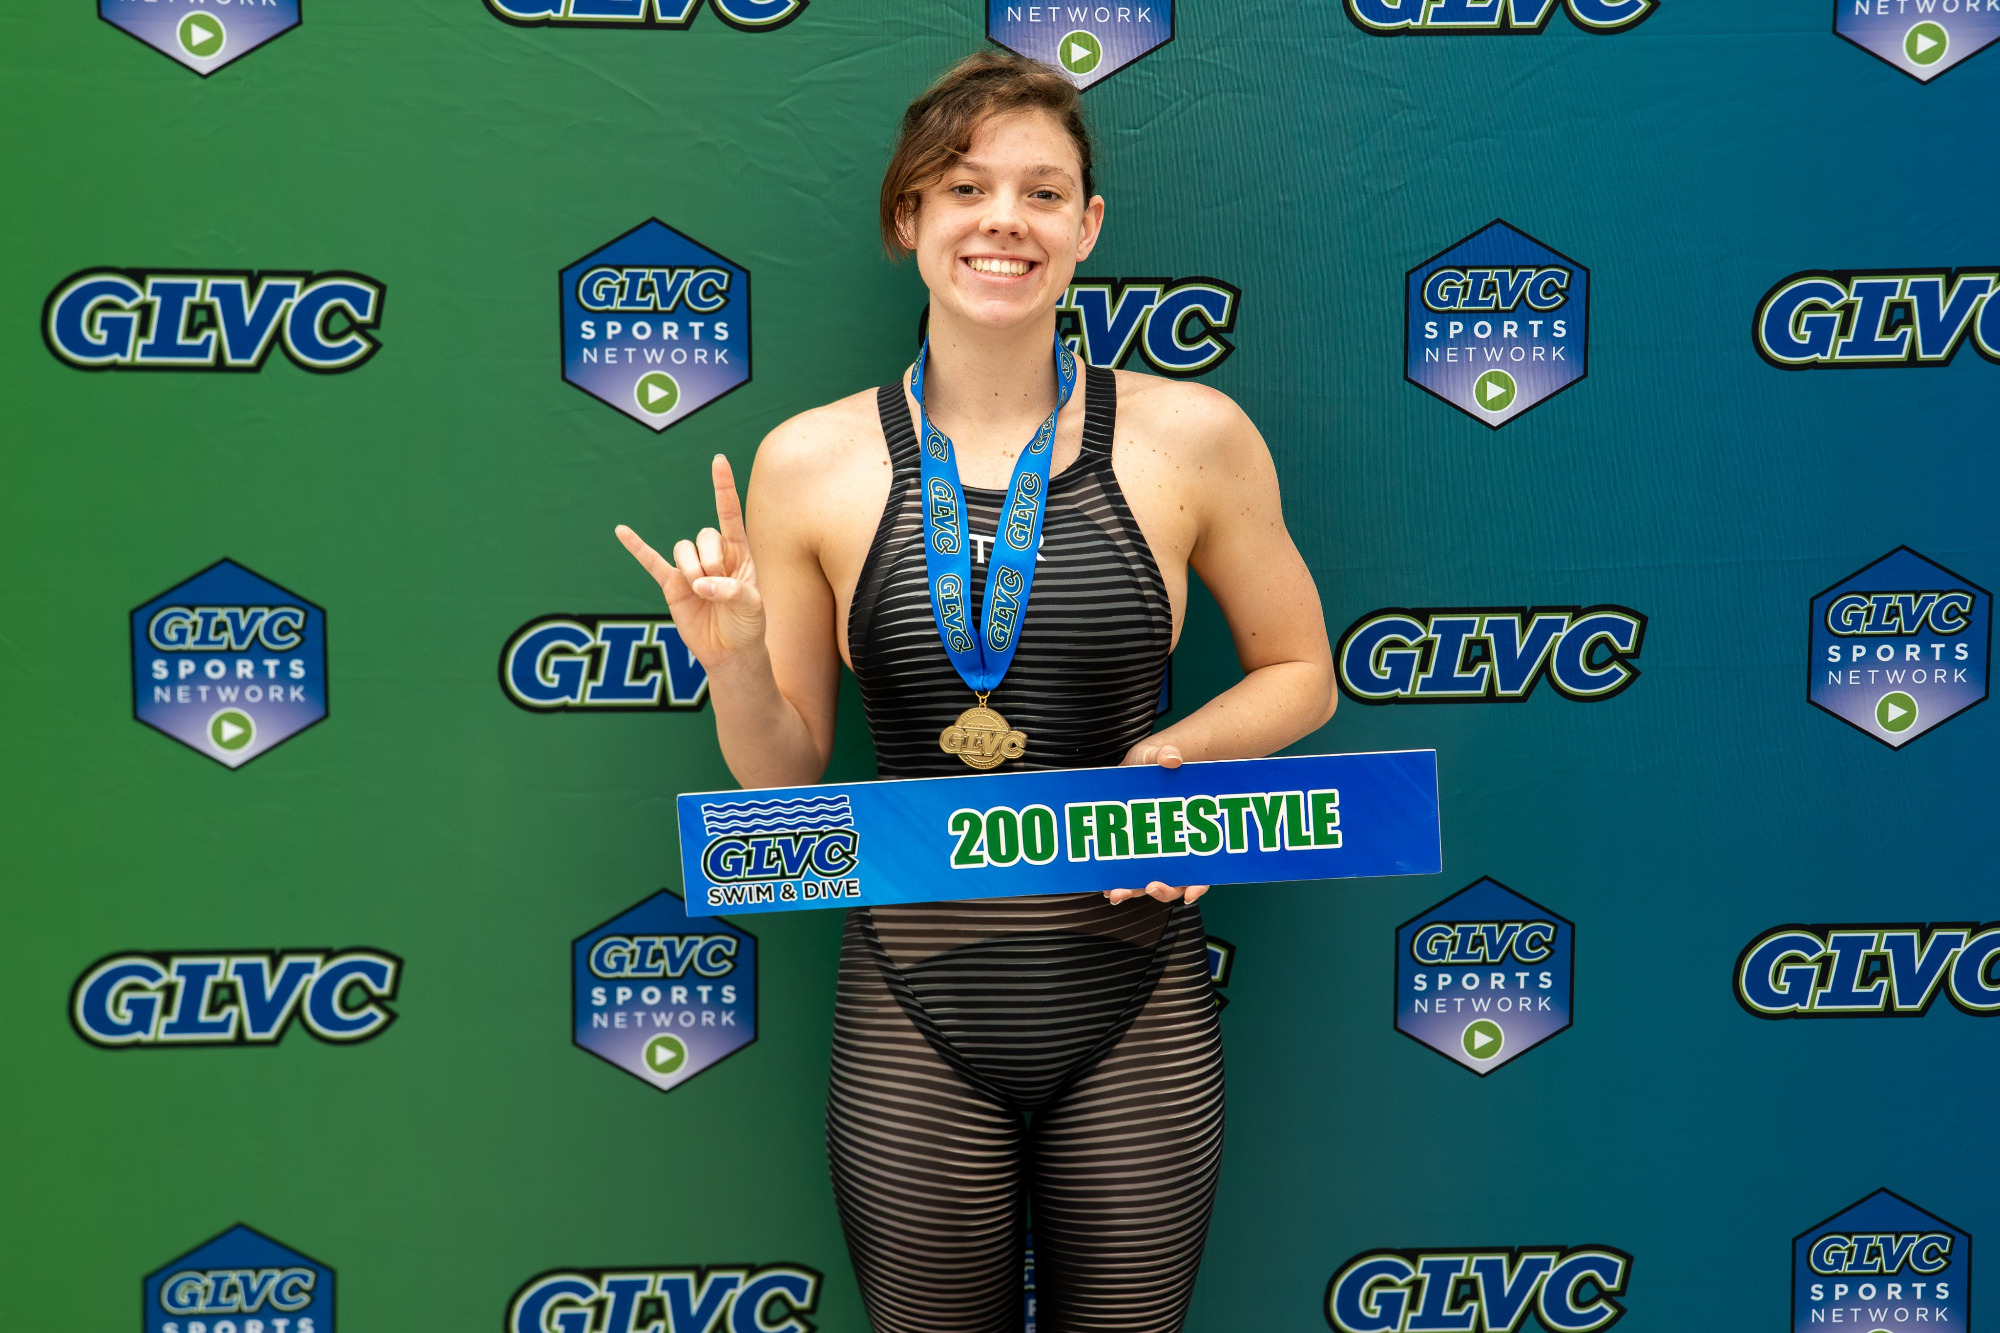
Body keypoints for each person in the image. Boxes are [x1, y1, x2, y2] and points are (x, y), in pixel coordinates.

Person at [617, 50, 1334, 1333]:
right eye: (963, 187)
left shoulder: (1190, 437)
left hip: (1136, 986)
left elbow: (1300, 674)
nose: (1003, 219)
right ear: (910, 219)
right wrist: (731, 657)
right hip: (911, 994)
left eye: (1041, 193)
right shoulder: (809, 461)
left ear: (1086, 228)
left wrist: (1180, 756)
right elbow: (783, 778)